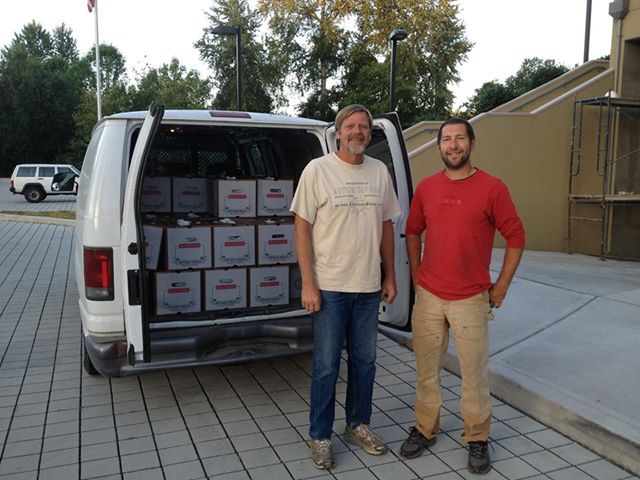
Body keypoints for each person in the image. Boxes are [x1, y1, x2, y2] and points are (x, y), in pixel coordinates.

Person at [399, 118, 525, 474]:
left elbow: (516, 236)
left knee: (474, 374)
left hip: (471, 298)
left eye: (459, 139)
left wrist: (501, 286)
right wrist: (416, 273)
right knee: (426, 371)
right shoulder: (426, 188)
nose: (453, 145)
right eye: (446, 140)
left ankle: (477, 437)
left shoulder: (492, 188)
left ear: (471, 143)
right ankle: (425, 429)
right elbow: (412, 231)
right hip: (429, 296)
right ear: (439, 146)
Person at [290, 104, 401, 470]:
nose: (357, 132)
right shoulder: (317, 170)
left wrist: (390, 276)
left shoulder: (379, 172)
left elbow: (387, 226)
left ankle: (358, 424)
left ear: (370, 134)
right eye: (351, 126)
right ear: (338, 132)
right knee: (325, 366)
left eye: (364, 127)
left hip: (368, 287)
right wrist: (309, 283)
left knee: (365, 363)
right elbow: (302, 229)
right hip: (330, 287)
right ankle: (320, 435)